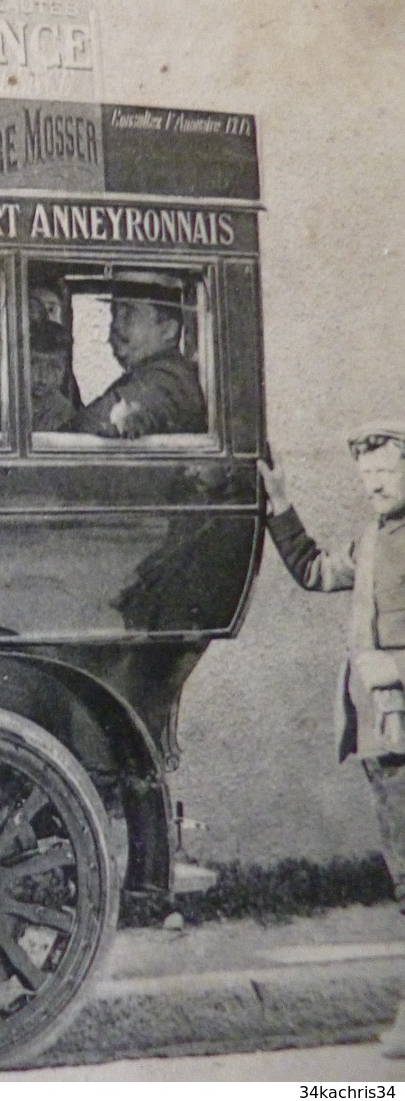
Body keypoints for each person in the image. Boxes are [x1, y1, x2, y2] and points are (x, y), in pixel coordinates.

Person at [260, 428, 405, 1058]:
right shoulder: (375, 539)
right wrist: (279, 506)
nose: (375, 484)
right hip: (385, 737)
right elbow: (317, 571)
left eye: (388, 472)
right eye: (368, 474)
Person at [73, 272, 206, 438]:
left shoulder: (169, 379)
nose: (115, 324)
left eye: (129, 312)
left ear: (168, 330)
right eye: (114, 312)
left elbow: (101, 419)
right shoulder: (149, 374)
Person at [29, 320, 78, 433]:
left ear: (64, 372)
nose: (42, 376)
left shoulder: (64, 415)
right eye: (33, 363)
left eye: (54, 367)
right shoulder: (9, 404)